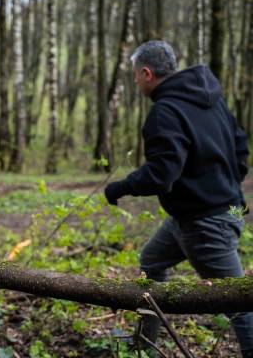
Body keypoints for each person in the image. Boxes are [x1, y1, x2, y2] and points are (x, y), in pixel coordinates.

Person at [104, 40, 253, 357]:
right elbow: (240, 147)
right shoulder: (210, 99)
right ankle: (146, 342)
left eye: (134, 76)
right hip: (205, 214)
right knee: (152, 262)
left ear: (146, 73)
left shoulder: (165, 112)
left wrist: (120, 187)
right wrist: (223, 183)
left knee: (238, 303)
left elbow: (161, 174)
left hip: (205, 223)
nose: (135, 82)